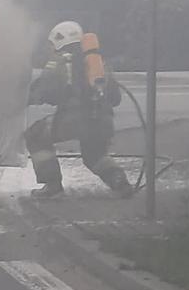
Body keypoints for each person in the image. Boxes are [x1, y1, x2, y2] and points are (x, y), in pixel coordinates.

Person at [25, 21, 133, 199]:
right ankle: (118, 181)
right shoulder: (99, 62)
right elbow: (115, 98)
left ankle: (52, 186)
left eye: (52, 44)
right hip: (103, 121)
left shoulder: (59, 60)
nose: (51, 48)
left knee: (35, 134)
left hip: (74, 119)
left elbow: (45, 90)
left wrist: (26, 98)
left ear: (59, 40)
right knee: (95, 155)